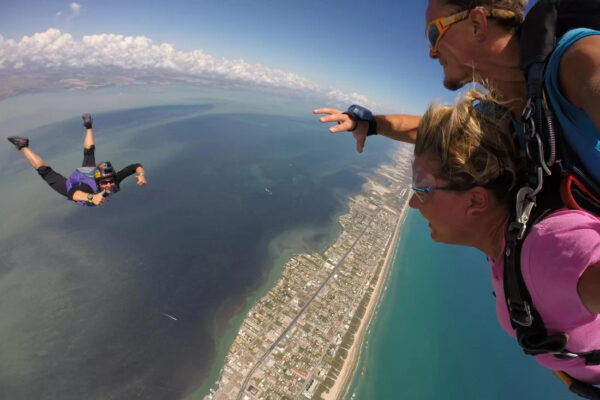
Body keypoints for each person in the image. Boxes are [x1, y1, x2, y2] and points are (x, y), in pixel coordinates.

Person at [410, 88, 600, 384]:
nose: (412, 201)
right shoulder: (510, 242)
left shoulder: (550, 248)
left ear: (475, 201)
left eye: (422, 188)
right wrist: (371, 125)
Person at [314, 0, 600, 157]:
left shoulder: (578, 60)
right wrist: (370, 123)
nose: (431, 53)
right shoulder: (502, 113)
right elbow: (426, 128)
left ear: (477, 24)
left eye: (433, 35)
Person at [7, 114, 146, 206]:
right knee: (45, 172)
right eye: (105, 182)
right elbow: (74, 194)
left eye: (110, 180)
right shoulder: (89, 188)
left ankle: (88, 126)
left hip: (87, 172)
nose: (109, 184)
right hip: (76, 183)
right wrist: (92, 197)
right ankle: (23, 146)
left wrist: (141, 175)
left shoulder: (114, 179)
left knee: (89, 154)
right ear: (98, 181)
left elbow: (135, 166)